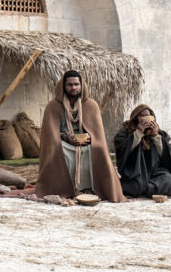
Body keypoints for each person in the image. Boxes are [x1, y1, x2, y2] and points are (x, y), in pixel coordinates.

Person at [36, 70, 125, 202]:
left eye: (76, 84)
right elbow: (51, 135)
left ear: (81, 86)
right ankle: (67, 188)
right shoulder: (53, 106)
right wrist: (66, 137)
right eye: (70, 85)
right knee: (59, 149)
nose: (73, 88)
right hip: (64, 142)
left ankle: (89, 188)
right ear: (64, 87)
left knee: (98, 149)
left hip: (87, 142)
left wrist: (90, 138)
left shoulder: (91, 105)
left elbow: (97, 133)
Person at [114, 104, 171, 197]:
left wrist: (155, 136)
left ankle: (145, 189)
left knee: (168, 179)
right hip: (135, 173)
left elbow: (165, 156)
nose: (146, 118)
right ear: (136, 118)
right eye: (142, 116)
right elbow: (121, 149)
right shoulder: (126, 131)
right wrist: (138, 133)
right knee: (137, 185)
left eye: (148, 116)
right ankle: (148, 189)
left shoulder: (159, 133)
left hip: (154, 172)